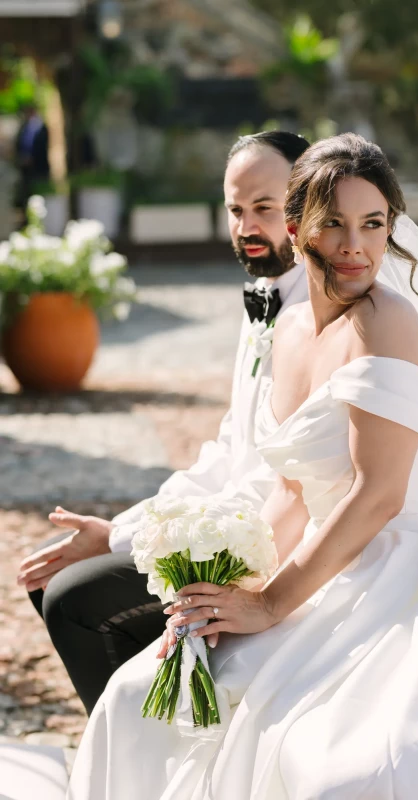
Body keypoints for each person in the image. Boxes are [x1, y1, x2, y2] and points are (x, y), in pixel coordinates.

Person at [68, 132, 418, 800]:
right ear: (298, 231)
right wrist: (223, 596)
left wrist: (270, 603)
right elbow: (290, 494)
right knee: (133, 697)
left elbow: (378, 494)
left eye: (374, 224)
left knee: (356, 762)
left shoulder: (388, 321)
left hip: (407, 576)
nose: (356, 246)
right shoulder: (288, 332)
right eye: (334, 225)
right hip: (325, 567)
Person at [17, 131, 311, 714]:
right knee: (52, 571)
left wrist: (138, 541)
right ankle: (158, 729)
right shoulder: (265, 297)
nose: (246, 226)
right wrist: (120, 529)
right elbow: (229, 451)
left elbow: (282, 482)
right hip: (237, 518)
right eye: (235, 209)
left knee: (73, 597)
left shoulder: (315, 317)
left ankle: (155, 755)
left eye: (265, 208)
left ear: (305, 209)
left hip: (279, 541)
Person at [14, 104, 50, 210]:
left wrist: (32, 158)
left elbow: (43, 147)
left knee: (38, 191)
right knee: (26, 190)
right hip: (25, 167)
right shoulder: (24, 127)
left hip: (39, 165)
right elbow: (19, 144)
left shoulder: (41, 127)